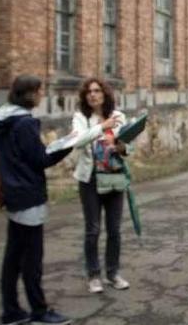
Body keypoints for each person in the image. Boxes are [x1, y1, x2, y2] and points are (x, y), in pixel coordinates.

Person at [0, 75, 73, 325]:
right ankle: (39, 311)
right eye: (39, 91)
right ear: (28, 94)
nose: (41, 96)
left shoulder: (4, 119)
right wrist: (68, 144)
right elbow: (40, 159)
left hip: (14, 195)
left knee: (13, 258)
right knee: (32, 260)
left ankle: (11, 311)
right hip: (29, 197)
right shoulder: (25, 124)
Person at [69, 78, 129, 294]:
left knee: (114, 229)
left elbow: (127, 145)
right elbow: (78, 141)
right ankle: (94, 275)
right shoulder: (81, 118)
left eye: (97, 90)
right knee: (93, 229)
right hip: (90, 179)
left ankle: (113, 273)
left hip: (114, 177)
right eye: (88, 92)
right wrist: (101, 127)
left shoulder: (118, 116)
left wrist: (121, 147)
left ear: (105, 93)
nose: (92, 95)